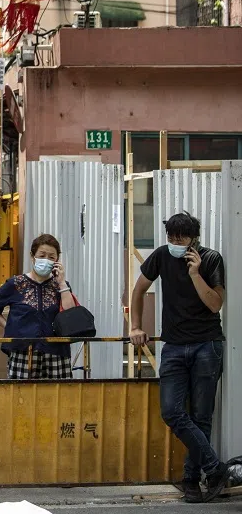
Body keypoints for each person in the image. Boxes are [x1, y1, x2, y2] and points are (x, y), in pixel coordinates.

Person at [130, 212, 227, 503]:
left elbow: (215, 305)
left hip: (206, 345)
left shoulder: (210, 259)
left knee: (201, 416)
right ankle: (214, 468)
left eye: (180, 238)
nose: (174, 243)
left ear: (193, 239)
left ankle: (191, 481)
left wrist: (195, 273)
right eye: (171, 237)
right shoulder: (161, 256)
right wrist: (135, 326)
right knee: (172, 412)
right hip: (173, 346)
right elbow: (138, 290)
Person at [0, 233, 77, 380]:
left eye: (51, 257)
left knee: (58, 398)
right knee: (23, 398)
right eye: (42, 255)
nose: (46, 260)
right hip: (23, 353)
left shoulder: (59, 286)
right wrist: (8, 326)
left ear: (57, 260)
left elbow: (71, 313)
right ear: (32, 256)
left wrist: (62, 282)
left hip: (56, 352)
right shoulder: (16, 283)